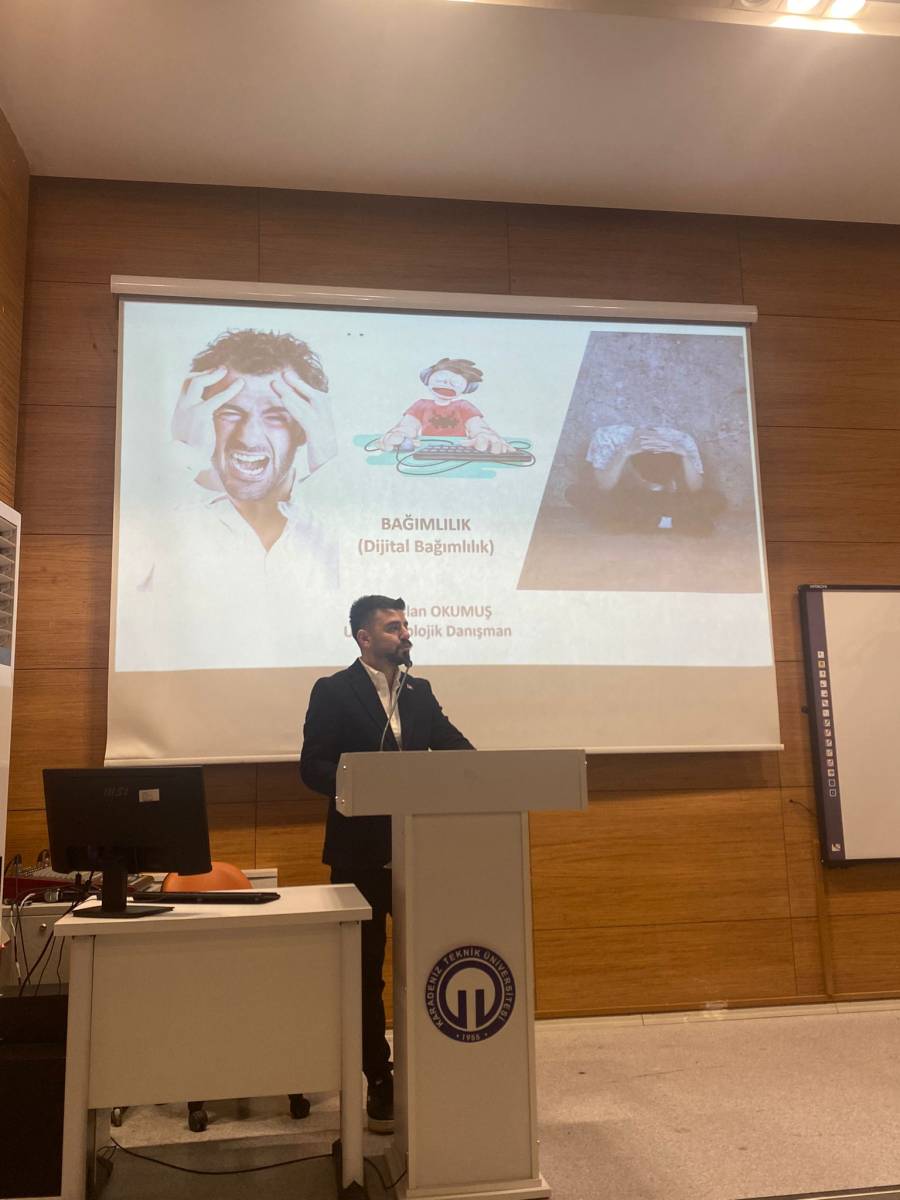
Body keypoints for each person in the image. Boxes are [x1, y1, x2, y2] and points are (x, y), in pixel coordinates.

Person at [299, 595, 474, 1133]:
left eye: (405, 625)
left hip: (418, 850)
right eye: (393, 627)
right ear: (364, 637)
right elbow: (312, 766)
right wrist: (358, 782)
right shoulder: (333, 690)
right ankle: (378, 1074)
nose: (405, 633)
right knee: (366, 970)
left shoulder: (419, 692)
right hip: (360, 853)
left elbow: (453, 747)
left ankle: (431, 1062)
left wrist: (481, 772)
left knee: (429, 961)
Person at [119, 329, 339, 670]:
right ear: (200, 418)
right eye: (229, 412)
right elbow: (119, 596)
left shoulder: (338, 523)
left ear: (304, 429)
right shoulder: (163, 517)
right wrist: (182, 452)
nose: (248, 438)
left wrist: (327, 458)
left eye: (276, 416)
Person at [567, 422, 725, 534]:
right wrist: (624, 453)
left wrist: (684, 455)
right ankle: (668, 522)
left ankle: (641, 521)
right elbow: (604, 486)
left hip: (666, 497)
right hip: (627, 496)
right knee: (577, 493)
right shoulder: (607, 437)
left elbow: (696, 488)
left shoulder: (682, 440)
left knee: (715, 500)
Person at [378, 357, 514, 453]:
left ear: (466, 388)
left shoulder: (464, 406)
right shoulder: (421, 405)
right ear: (427, 379)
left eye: (456, 383)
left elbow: (478, 427)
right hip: (427, 449)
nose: (446, 384)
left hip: (459, 449)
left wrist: (484, 436)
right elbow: (408, 426)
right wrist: (399, 435)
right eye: (440, 379)